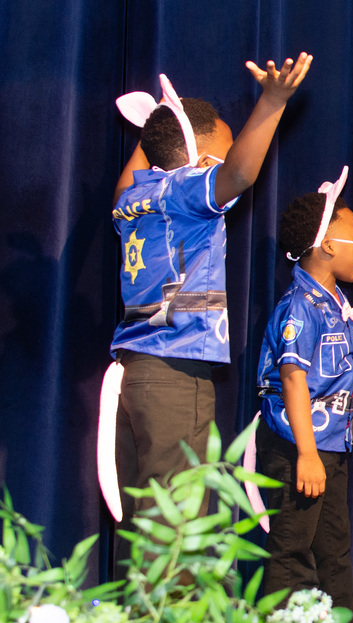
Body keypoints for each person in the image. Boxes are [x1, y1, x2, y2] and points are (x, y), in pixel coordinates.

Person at [105, 54, 312, 572]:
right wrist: (272, 101)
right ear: (199, 161)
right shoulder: (184, 192)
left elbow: (148, 164)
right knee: (177, 517)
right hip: (175, 373)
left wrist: (157, 125)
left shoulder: (137, 197)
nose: (230, 155)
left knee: (144, 516)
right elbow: (241, 172)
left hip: (138, 372)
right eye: (223, 144)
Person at [254, 168, 353, 623]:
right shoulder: (299, 306)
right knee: (291, 551)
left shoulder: (334, 304)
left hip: (329, 450)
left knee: (333, 552)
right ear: (326, 246)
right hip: (299, 451)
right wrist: (305, 453)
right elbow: (294, 380)